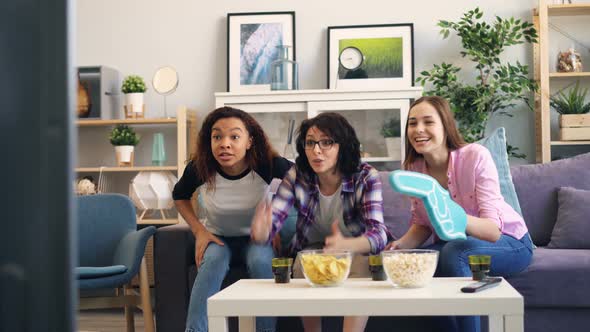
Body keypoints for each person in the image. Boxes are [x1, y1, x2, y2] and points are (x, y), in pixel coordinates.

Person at [387, 96, 534, 332]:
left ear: (446, 126)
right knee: (421, 262)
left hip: (510, 242)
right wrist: (400, 246)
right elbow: (422, 223)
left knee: (455, 251)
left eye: (428, 122)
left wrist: (455, 217)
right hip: (455, 244)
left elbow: (492, 231)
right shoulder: (415, 169)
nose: (418, 129)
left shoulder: (475, 156)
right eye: (412, 123)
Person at [251, 112, 389, 332]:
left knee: (362, 265)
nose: (316, 150)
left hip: (355, 247)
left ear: (343, 146)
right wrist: (261, 231)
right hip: (312, 249)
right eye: (310, 143)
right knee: (302, 262)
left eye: (326, 142)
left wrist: (346, 245)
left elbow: (379, 234)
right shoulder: (298, 175)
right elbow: (272, 222)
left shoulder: (365, 176)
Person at [173, 106, 292, 332]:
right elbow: (179, 196)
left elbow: (303, 184)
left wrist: (275, 224)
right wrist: (199, 230)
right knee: (213, 261)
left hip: (256, 240)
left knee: (261, 261)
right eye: (217, 136)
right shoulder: (200, 168)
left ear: (249, 141)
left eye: (234, 136)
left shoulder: (268, 164)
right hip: (217, 237)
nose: (224, 143)